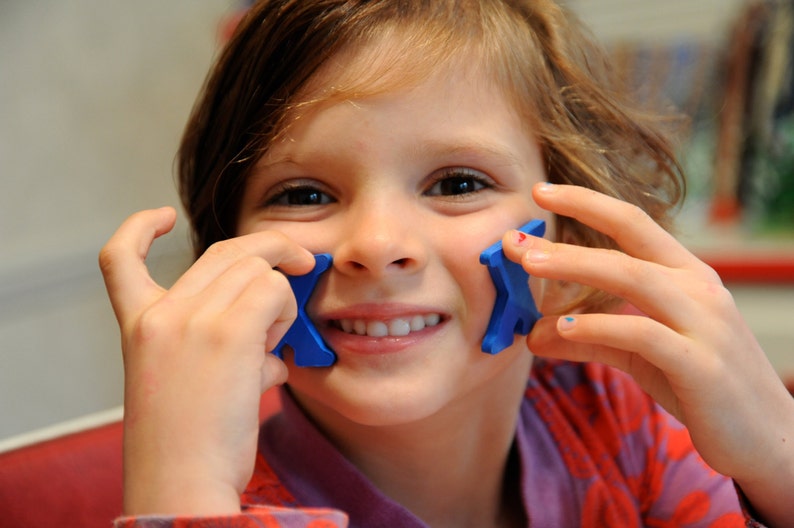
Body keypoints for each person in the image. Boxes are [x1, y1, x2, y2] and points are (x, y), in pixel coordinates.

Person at [99, 1, 794, 526]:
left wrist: (776, 454)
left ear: (572, 229)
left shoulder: (618, 408)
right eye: (304, 194)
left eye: (457, 184)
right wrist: (180, 487)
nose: (375, 244)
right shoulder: (222, 501)